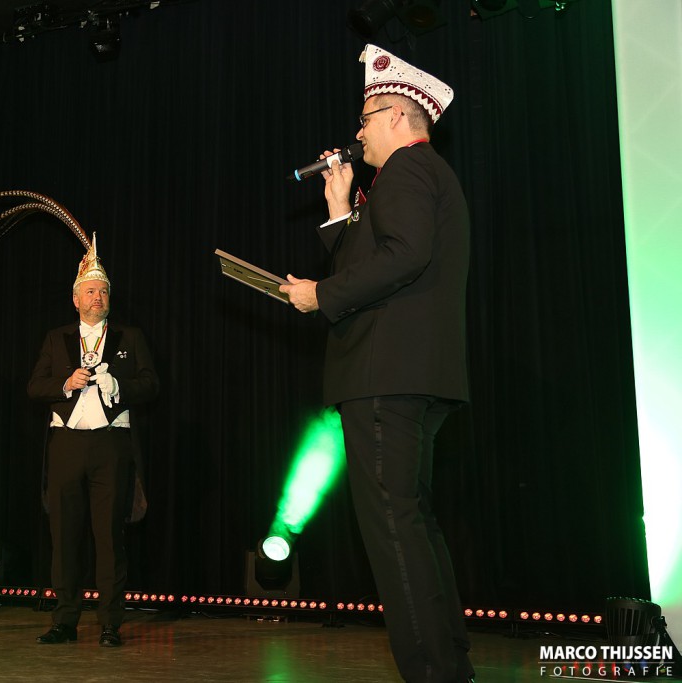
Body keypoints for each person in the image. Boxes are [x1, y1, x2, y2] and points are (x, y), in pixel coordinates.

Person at [279, 44, 473, 683]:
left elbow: (405, 255)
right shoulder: (422, 175)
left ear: (395, 117)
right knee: (413, 523)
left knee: (393, 530)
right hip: (414, 375)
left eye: (365, 119)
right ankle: (449, 664)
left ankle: (432, 672)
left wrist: (321, 294)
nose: (357, 133)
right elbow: (382, 260)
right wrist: (340, 212)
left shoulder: (408, 170)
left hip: (387, 374)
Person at [28, 235, 159, 647]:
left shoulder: (129, 336)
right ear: (75, 298)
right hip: (66, 444)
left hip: (111, 446)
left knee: (109, 538)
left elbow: (151, 384)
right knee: (65, 537)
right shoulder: (57, 338)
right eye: (90, 291)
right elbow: (34, 386)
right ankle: (64, 621)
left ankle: (109, 624)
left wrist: (119, 385)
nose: (97, 296)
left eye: (103, 291)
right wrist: (65, 383)